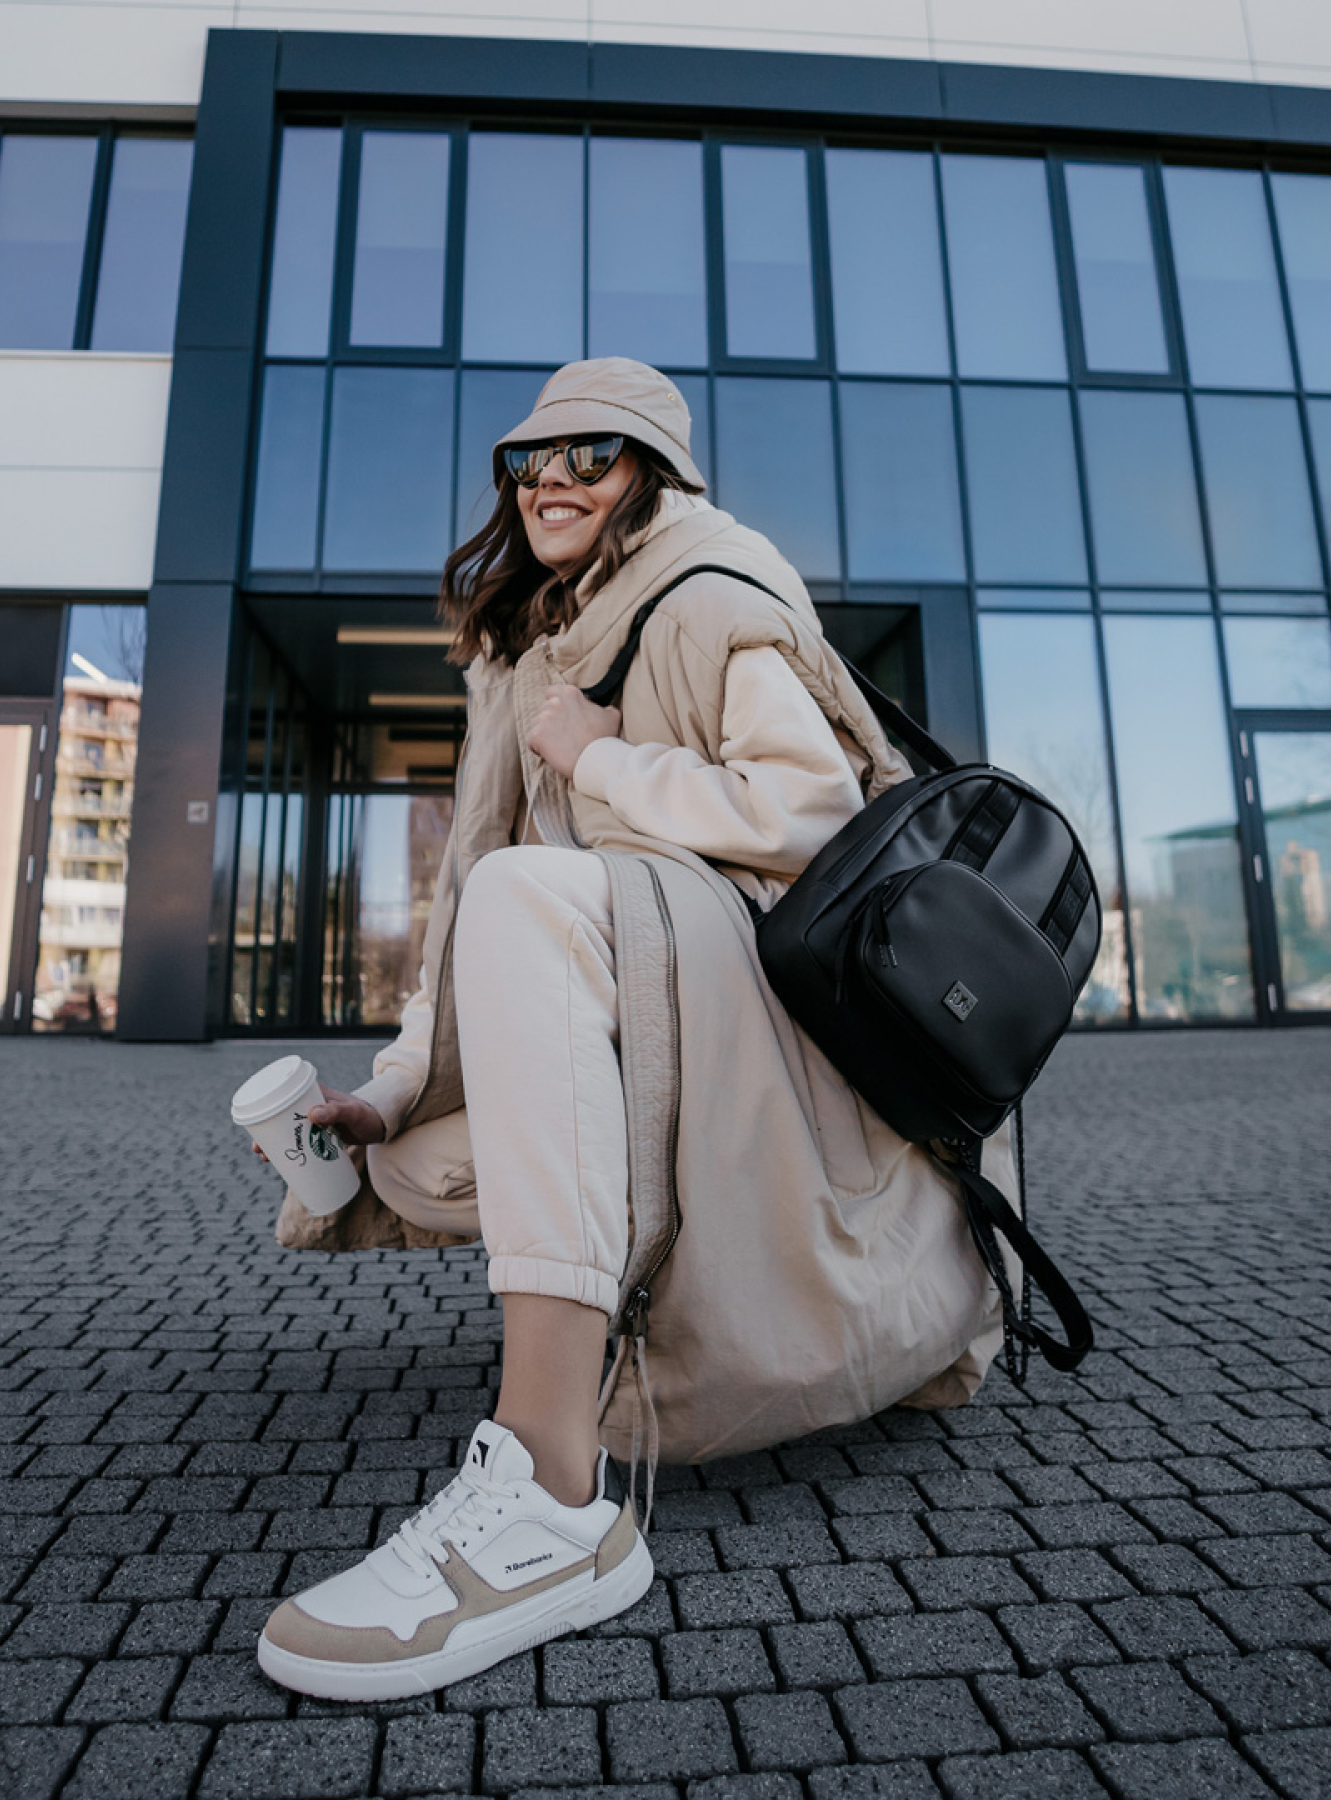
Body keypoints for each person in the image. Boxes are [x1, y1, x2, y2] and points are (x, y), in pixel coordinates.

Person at [252, 358, 1013, 1702]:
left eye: (588, 455)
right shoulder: (530, 655)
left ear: (654, 472)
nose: (550, 479)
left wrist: (602, 759)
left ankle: (550, 1498)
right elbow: (466, 911)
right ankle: (616, 1302)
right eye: (528, 461)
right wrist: (392, 1088)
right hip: (661, 1003)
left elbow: (813, 812)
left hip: (774, 1025)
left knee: (531, 892)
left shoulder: (712, 590)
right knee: (417, 1162)